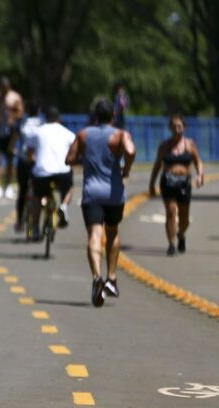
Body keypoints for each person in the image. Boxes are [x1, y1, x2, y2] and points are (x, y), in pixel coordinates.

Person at [66, 99, 136, 307]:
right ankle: (111, 277)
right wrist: (126, 168)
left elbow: (69, 159)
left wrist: (86, 160)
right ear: (113, 116)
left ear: (95, 117)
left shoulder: (84, 134)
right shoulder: (120, 135)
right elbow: (130, 151)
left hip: (92, 194)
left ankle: (97, 276)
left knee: (94, 235)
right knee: (112, 232)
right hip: (114, 194)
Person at [149, 114, 205, 255]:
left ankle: (181, 234)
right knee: (171, 212)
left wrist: (200, 175)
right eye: (174, 126)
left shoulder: (190, 144)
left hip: (184, 183)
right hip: (168, 182)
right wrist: (151, 184)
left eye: (179, 126)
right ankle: (171, 244)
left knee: (184, 217)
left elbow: (198, 161)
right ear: (170, 128)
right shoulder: (165, 146)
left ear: (184, 127)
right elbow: (157, 165)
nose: (176, 129)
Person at [26, 106, 75, 239]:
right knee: (69, 188)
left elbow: (29, 153)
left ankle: (35, 228)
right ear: (59, 119)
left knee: (37, 196)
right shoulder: (68, 133)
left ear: (45, 118)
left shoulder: (37, 132)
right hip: (62, 172)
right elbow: (74, 152)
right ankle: (64, 206)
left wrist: (33, 159)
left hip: (42, 173)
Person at [0, 76, 24, 200]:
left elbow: (21, 113)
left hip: (10, 131)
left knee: (10, 159)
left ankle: (8, 186)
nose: (4, 90)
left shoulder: (15, 97)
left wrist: (13, 116)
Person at [14, 101, 42, 233]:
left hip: (24, 160)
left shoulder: (22, 123)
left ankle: (19, 221)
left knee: (23, 191)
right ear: (39, 111)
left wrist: (14, 151)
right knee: (41, 192)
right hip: (39, 161)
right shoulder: (43, 123)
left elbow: (13, 143)